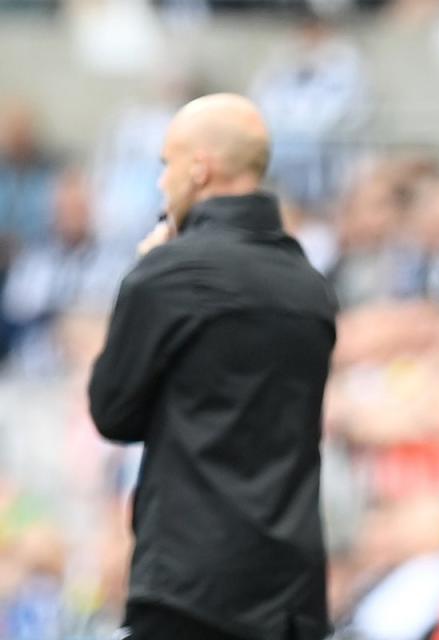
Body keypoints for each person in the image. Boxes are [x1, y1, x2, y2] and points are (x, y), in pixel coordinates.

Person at [88, 93, 338, 640]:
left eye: (166, 164)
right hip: (292, 588)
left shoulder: (168, 273)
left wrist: (143, 274)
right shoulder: (310, 285)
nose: (161, 183)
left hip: (190, 584)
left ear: (199, 168)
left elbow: (112, 411)